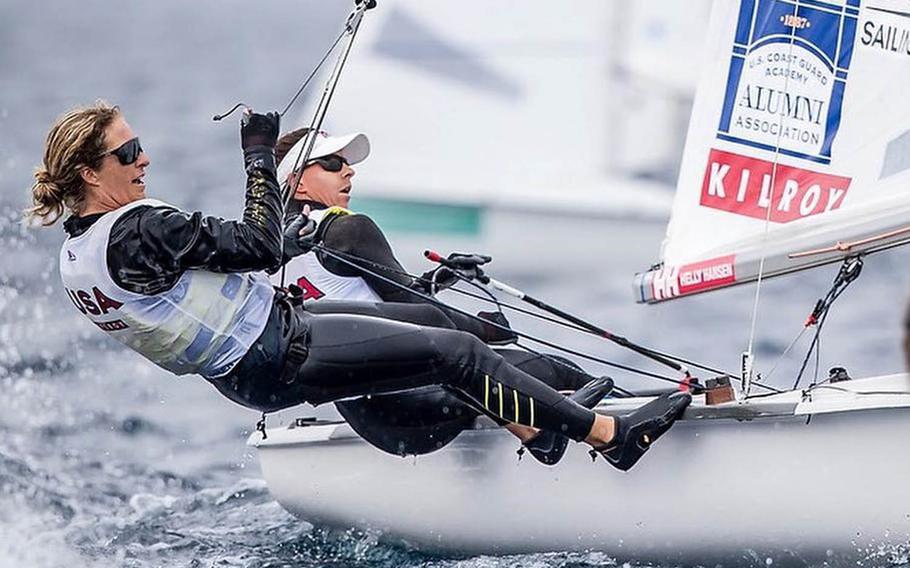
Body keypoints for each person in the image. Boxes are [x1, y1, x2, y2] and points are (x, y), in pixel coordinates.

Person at [29, 101, 690, 472]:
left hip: (248, 374)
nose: (144, 158)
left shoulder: (80, 256)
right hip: (279, 351)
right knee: (455, 350)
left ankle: (537, 428)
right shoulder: (140, 228)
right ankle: (610, 435)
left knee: (446, 348)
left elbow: (230, 273)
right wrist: (259, 156)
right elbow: (259, 244)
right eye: (128, 151)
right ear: (90, 173)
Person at [271, 126, 617, 465]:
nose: (349, 170)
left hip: (374, 423)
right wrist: (489, 329)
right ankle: (616, 436)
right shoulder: (348, 228)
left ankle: (541, 433)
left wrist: (438, 278)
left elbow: (384, 308)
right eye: (332, 163)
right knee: (562, 372)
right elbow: (420, 311)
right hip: (423, 402)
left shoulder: (271, 249)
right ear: (297, 181)